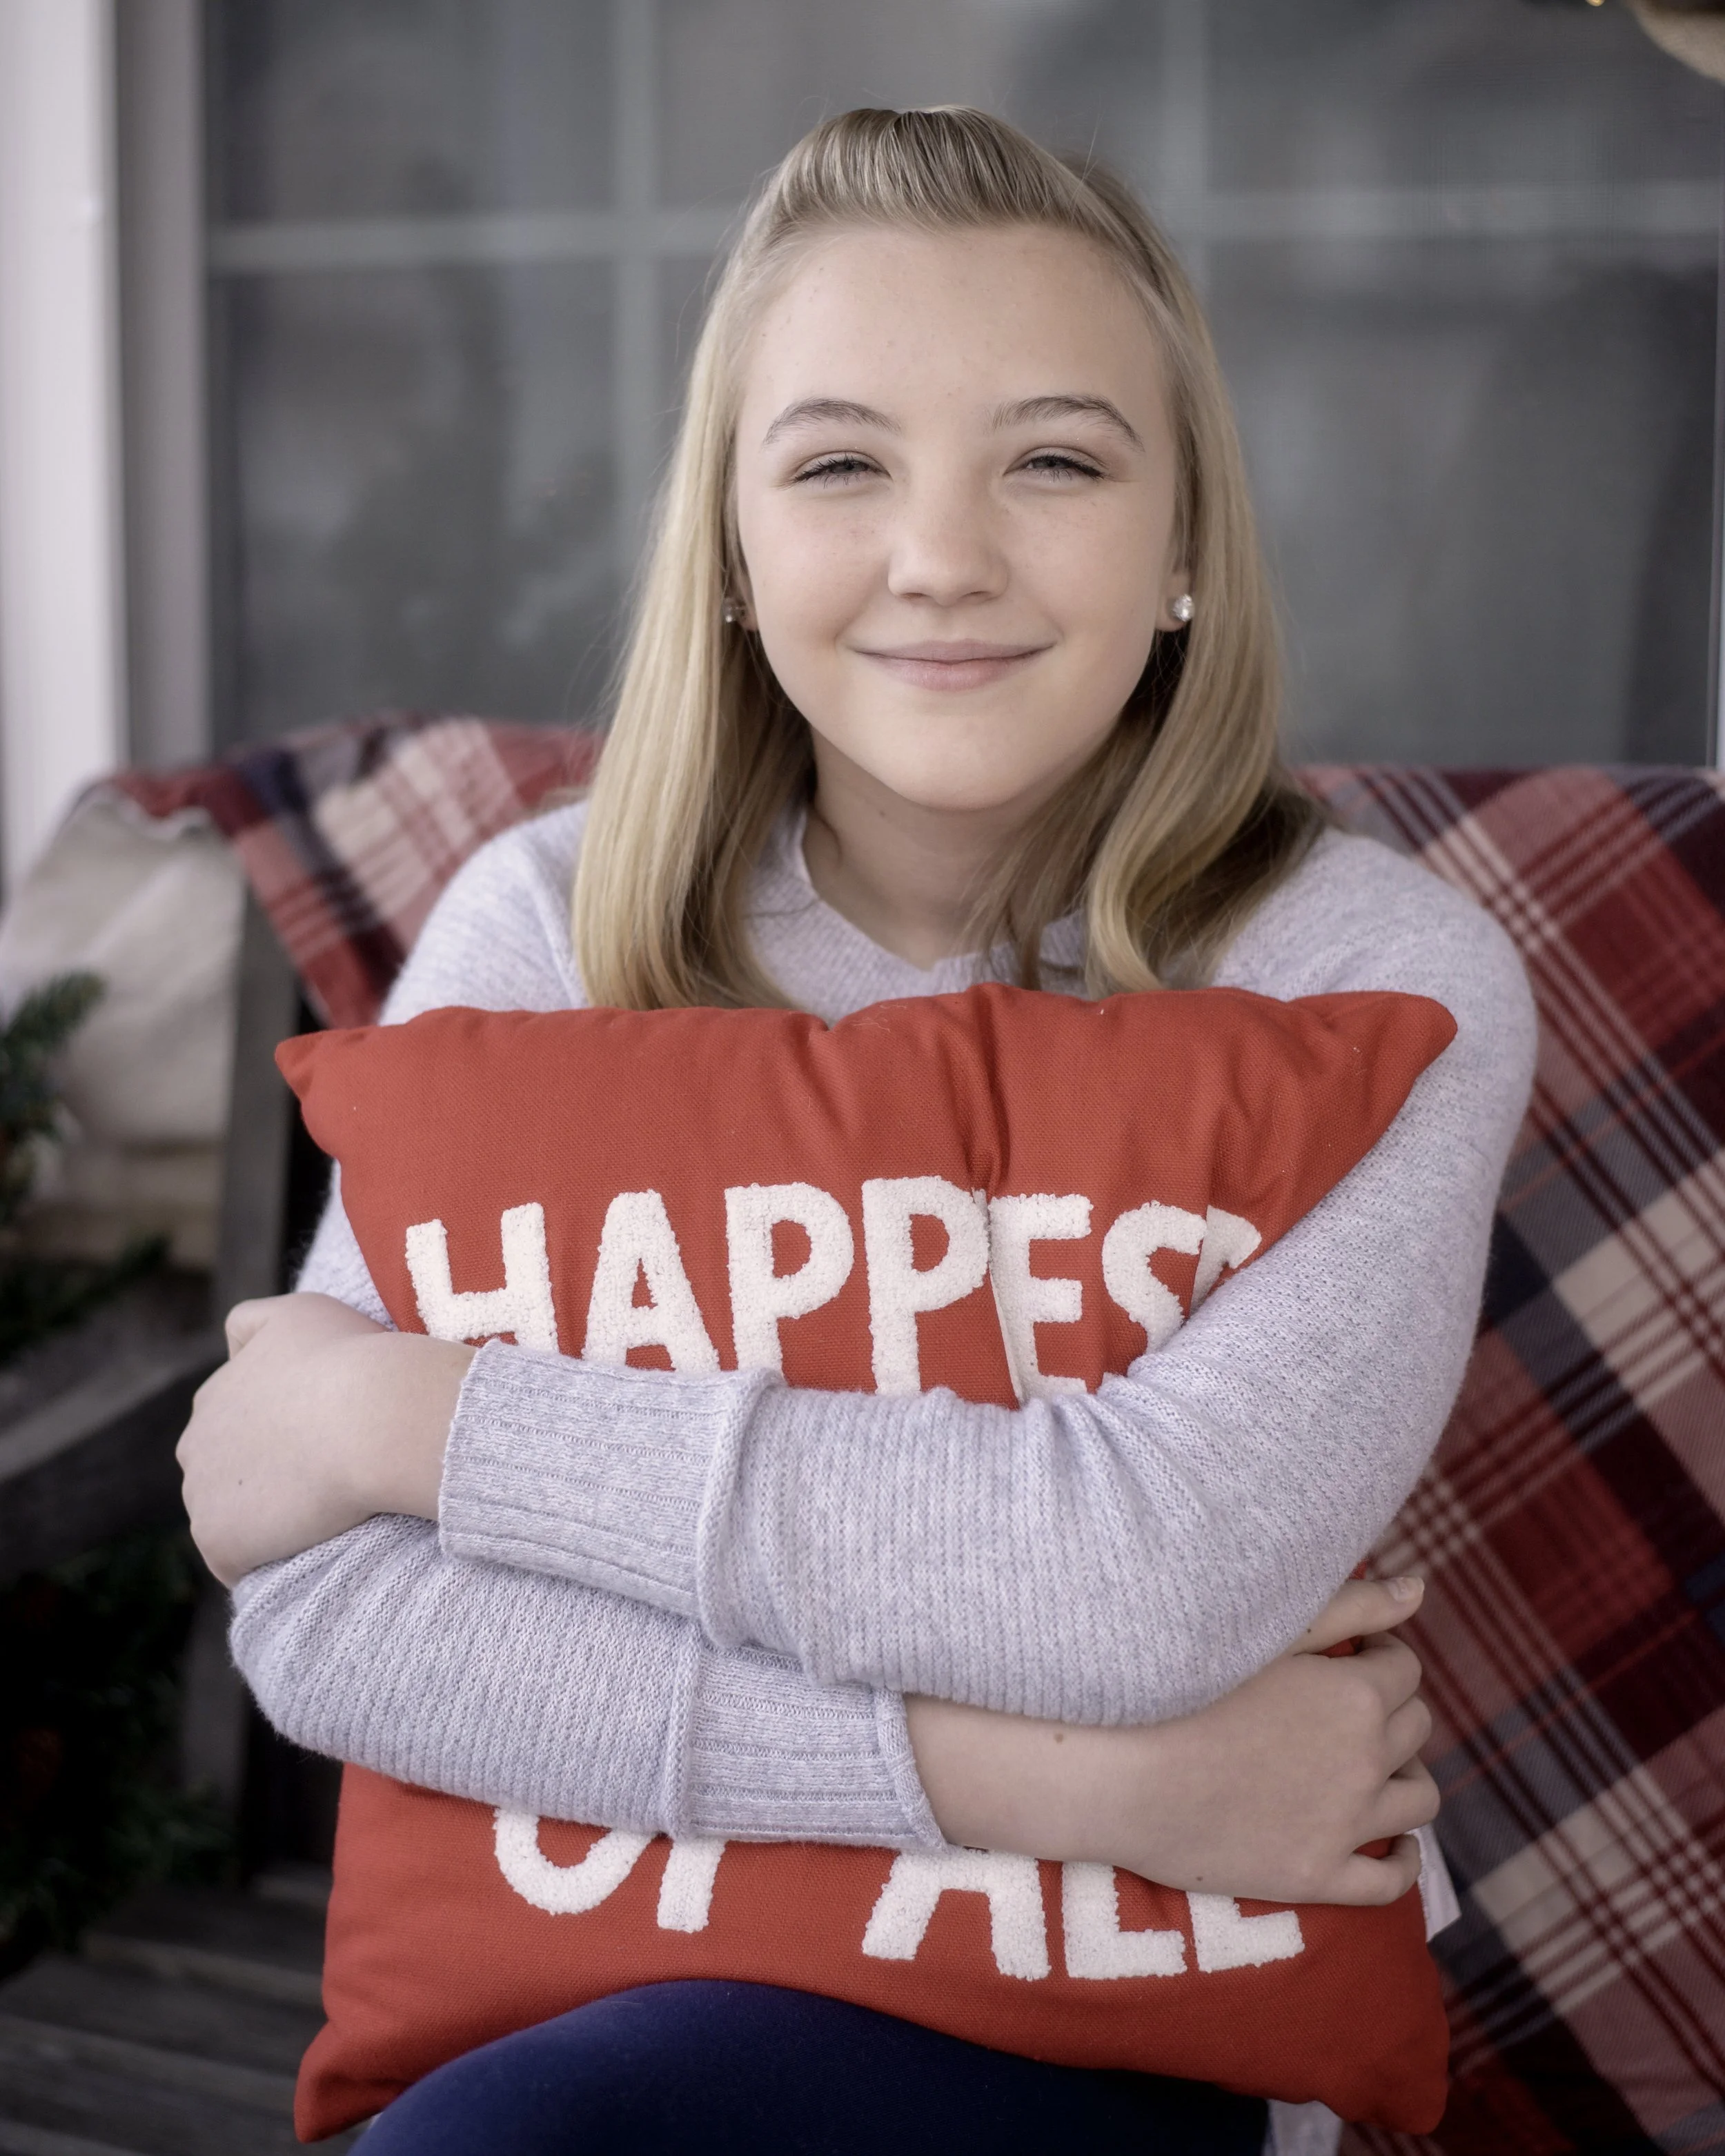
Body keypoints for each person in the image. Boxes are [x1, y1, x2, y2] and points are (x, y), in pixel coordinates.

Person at [177, 108, 1535, 2155]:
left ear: (1185, 542)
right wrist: (1063, 1781)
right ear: (729, 546)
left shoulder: (1372, 979)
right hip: (596, 1979)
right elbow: (332, 1619)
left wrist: (412, 1421)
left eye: (1055, 460)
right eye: (836, 463)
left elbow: (1133, 1580)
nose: (941, 556)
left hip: (1109, 2041)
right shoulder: (539, 926)